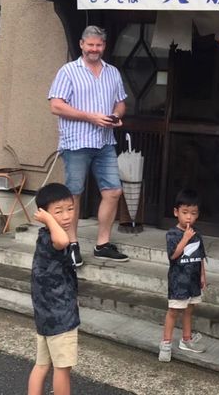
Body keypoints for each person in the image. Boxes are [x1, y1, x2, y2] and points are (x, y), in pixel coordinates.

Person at [48, 25, 129, 266]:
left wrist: (116, 114)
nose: (95, 49)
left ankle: (102, 244)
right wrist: (90, 117)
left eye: (99, 45)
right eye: (90, 44)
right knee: (73, 195)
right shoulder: (68, 71)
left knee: (113, 191)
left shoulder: (112, 72)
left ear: (104, 46)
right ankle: (72, 244)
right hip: (76, 142)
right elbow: (56, 106)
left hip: (105, 141)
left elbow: (121, 102)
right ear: (82, 44)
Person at [27, 182, 80, 395]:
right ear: (44, 215)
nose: (66, 216)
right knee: (62, 369)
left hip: (45, 316)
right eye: (58, 211)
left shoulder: (43, 236)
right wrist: (49, 219)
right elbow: (63, 239)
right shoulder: (54, 239)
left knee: (42, 365)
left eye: (70, 209)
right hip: (60, 316)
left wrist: (51, 218)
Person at [159, 188, 207, 362]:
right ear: (176, 212)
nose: (189, 217)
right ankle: (165, 343)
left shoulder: (197, 234)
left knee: (189, 309)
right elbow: (173, 255)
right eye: (185, 212)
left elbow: (200, 256)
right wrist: (185, 239)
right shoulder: (172, 234)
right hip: (178, 281)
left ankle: (186, 339)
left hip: (193, 280)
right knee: (173, 311)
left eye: (193, 213)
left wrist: (202, 275)